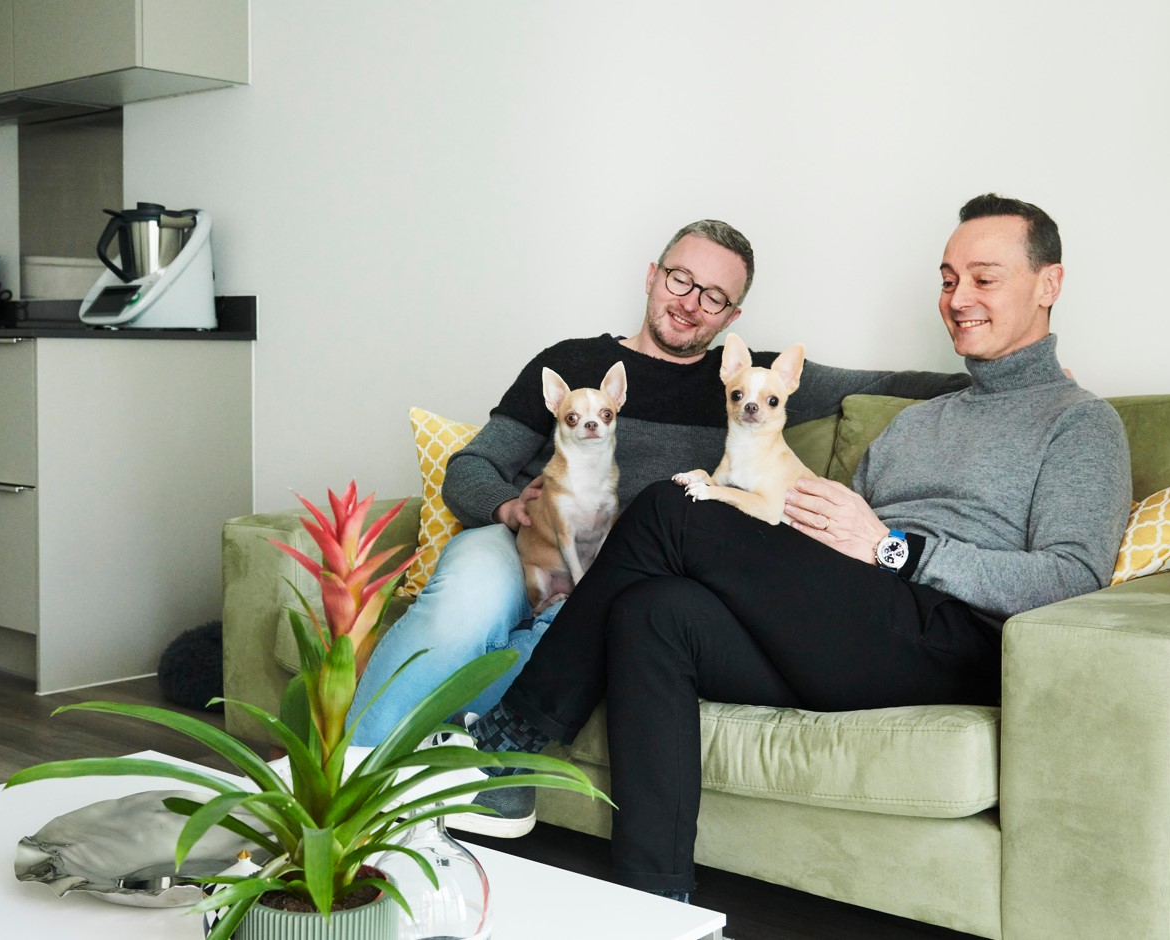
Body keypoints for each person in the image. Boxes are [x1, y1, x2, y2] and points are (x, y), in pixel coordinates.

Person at [449, 195, 1133, 902]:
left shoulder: (1080, 423)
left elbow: (1073, 577)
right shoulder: (917, 422)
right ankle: (653, 905)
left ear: (1048, 285)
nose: (958, 299)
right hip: (847, 625)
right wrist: (829, 545)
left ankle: (511, 738)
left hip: (944, 639)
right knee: (654, 611)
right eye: (948, 279)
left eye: (983, 279)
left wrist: (896, 549)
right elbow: (835, 542)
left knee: (670, 508)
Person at [349, 220, 969, 746]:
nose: (692, 302)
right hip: (523, 539)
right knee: (460, 614)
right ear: (652, 275)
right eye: (681, 280)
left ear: (732, 316)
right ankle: (338, 787)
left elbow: (893, 382)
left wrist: (997, 381)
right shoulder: (572, 361)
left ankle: (424, 775)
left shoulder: (745, 384)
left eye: (715, 297)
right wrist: (510, 509)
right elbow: (471, 466)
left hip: (618, 575)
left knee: (557, 653)